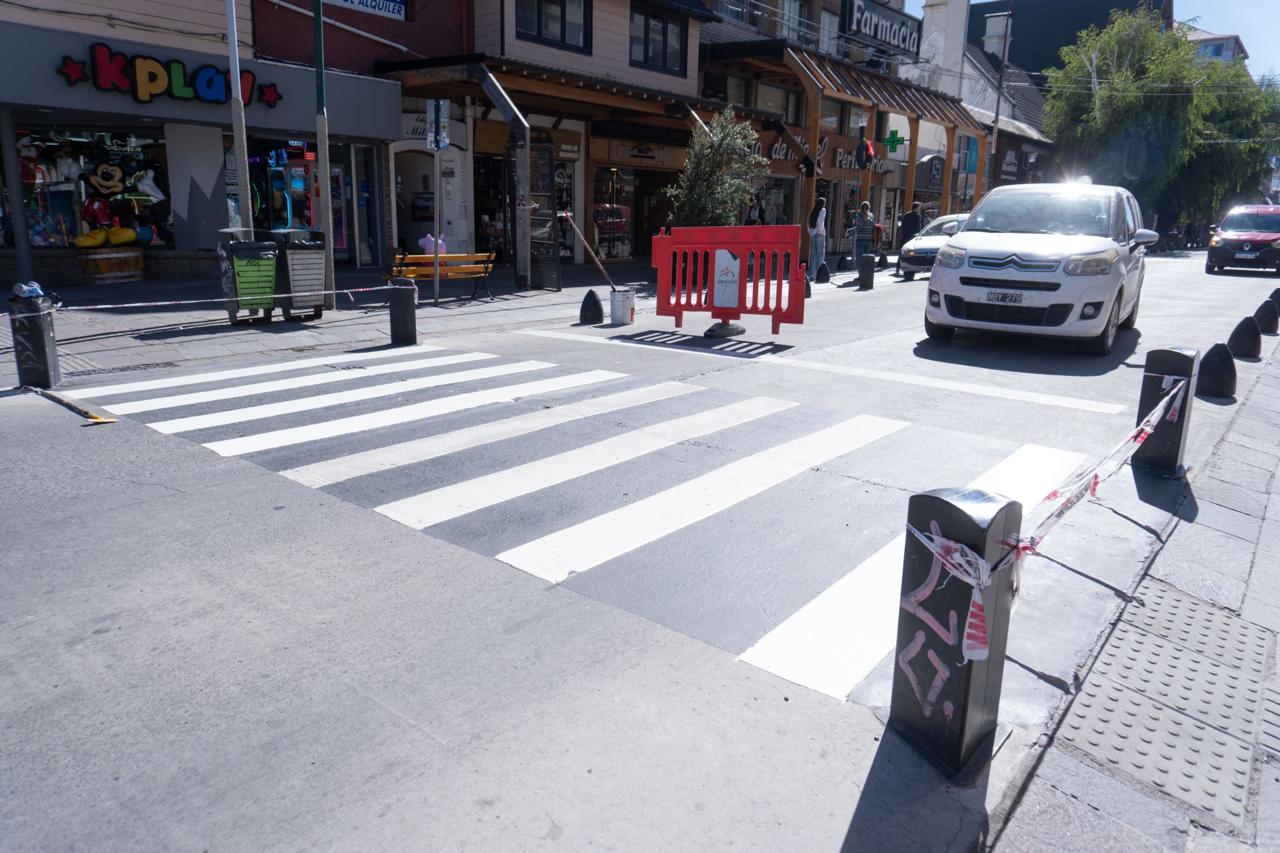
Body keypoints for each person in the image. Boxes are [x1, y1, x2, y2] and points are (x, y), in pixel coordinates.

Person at [896, 202, 923, 275]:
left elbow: (903, 226)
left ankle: (898, 267)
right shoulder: (917, 216)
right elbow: (918, 228)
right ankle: (911, 268)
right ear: (916, 208)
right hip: (912, 237)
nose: (920, 209)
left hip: (905, 236)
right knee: (912, 253)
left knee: (902, 252)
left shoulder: (906, 214)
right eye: (919, 207)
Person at [807, 197, 827, 276]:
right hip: (820, 233)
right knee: (820, 254)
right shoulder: (823, 210)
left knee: (814, 254)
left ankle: (813, 274)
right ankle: (820, 273)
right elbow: (820, 221)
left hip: (813, 234)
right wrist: (819, 231)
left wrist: (811, 232)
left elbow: (808, 222)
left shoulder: (813, 211)